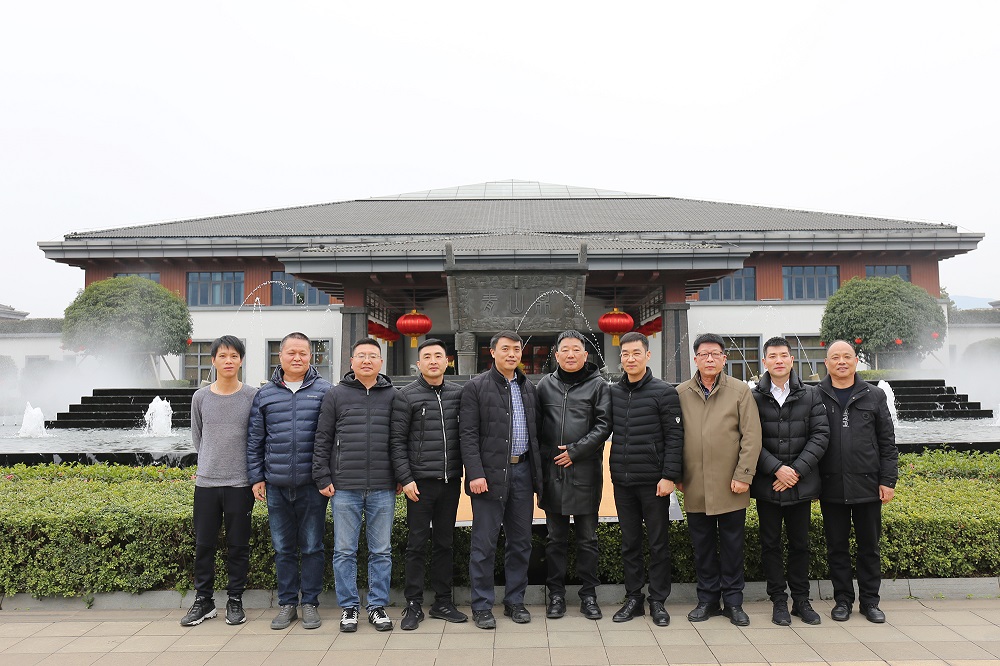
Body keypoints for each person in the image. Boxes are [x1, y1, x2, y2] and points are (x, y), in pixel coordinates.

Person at [314, 337, 403, 633]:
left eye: (372, 356)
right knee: (344, 550)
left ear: (381, 362)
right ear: (351, 362)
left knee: (381, 551)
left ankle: (377, 606)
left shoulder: (393, 396)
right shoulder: (336, 395)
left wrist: (400, 477)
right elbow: (323, 438)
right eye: (361, 355)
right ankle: (349, 607)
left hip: (383, 485)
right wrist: (323, 476)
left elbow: (399, 440)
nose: (366, 360)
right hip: (344, 486)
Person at [247, 332, 333, 630]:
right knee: (283, 548)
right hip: (277, 485)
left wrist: (327, 476)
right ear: (280, 355)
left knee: (312, 546)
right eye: (291, 353)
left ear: (311, 356)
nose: (297, 358)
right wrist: (257, 477)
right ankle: (286, 604)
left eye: (303, 353)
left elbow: (333, 439)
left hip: (313, 485)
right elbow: (255, 440)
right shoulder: (265, 394)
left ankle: (309, 603)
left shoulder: (325, 391)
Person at [676, 333, 762, 626]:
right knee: (702, 548)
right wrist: (677, 475)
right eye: (704, 354)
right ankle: (708, 601)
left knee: (732, 547)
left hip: (731, 484)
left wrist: (744, 475)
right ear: (696, 359)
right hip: (695, 484)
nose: (709, 359)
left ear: (724, 358)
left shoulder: (740, 391)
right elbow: (674, 438)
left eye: (715, 354)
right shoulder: (681, 392)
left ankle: (734, 602)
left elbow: (751, 436)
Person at [460, 330, 543, 630]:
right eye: (506, 349)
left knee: (521, 542)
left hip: (522, 472)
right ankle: (482, 606)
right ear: (492, 352)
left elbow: (536, 434)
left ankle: (515, 601)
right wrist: (476, 473)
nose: (512, 354)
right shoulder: (476, 387)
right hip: (490, 475)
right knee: (484, 543)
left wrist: (538, 478)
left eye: (516, 349)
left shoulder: (528, 387)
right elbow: (468, 434)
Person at [816, 340, 898, 623]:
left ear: (855, 361)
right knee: (836, 547)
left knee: (869, 547)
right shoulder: (816, 395)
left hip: (868, 485)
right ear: (826, 363)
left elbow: (887, 442)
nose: (841, 361)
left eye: (847, 356)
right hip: (831, 485)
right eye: (835, 357)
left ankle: (870, 602)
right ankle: (842, 600)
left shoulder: (874, 395)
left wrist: (888, 480)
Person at [390, 338, 468, 630]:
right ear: (418, 364)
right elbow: (396, 442)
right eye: (427, 357)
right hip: (419, 485)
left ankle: (443, 602)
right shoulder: (406, 396)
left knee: (445, 543)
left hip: (450, 481)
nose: (433, 361)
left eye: (438, 356)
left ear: (448, 361)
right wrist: (406, 478)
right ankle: (413, 604)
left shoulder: (459, 394)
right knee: (416, 544)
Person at [751, 336, 829, 626]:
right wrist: (776, 469)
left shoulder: (811, 394)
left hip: (800, 483)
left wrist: (794, 471)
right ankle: (778, 601)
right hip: (768, 484)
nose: (779, 361)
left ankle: (801, 601)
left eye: (783, 355)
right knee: (770, 545)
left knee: (800, 545)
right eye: (772, 356)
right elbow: (748, 439)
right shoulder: (753, 397)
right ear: (764, 361)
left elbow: (820, 436)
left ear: (792, 359)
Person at [180, 335, 258, 627]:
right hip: (207, 484)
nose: (228, 361)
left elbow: (256, 437)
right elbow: (198, 437)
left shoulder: (251, 396)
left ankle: (235, 600)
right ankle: (204, 601)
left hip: (240, 484)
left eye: (234, 356)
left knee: (238, 546)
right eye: (222, 356)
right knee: (204, 545)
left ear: (241, 360)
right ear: (213, 360)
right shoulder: (200, 397)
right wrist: (209, 463)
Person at [608, 331, 684, 626]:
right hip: (623, 481)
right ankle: (634, 599)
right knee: (630, 543)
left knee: (658, 543)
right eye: (625, 354)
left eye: (636, 353)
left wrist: (669, 476)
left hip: (654, 483)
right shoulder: (613, 392)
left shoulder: (664, 392)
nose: (630, 359)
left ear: (647, 355)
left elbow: (675, 437)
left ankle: (658, 601)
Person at [536, 330, 612, 621]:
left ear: (585, 354)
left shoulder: (598, 385)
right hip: (553, 472)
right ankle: (555, 595)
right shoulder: (545, 385)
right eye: (565, 350)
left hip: (585, 472)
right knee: (555, 539)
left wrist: (576, 451)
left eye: (576, 349)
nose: (570, 354)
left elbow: (604, 425)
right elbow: (537, 426)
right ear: (556, 355)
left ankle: (588, 595)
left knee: (587, 539)